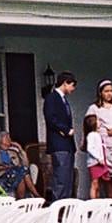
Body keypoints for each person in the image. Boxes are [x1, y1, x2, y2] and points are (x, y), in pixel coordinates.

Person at [84, 80, 112, 202]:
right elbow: (88, 125)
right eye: (106, 91)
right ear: (100, 93)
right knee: (106, 179)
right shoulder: (94, 108)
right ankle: (111, 204)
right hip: (103, 148)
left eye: (111, 91)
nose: (109, 94)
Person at [43, 71, 79, 199]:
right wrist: (65, 130)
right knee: (61, 179)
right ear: (65, 83)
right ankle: (57, 208)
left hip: (67, 144)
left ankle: (66, 206)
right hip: (59, 143)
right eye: (72, 85)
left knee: (68, 179)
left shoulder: (63, 100)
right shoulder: (52, 98)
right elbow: (51, 118)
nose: (73, 89)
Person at [0, 131, 36, 199]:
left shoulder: (13, 151)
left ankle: (21, 200)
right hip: (3, 174)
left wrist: (20, 149)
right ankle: (35, 195)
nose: (10, 140)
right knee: (22, 173)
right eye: (7, 138)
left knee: (21, 172)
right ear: (0, 140)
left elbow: (26, 165)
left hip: (16, 172)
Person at [83, 114, 111, 200]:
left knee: (98, 184)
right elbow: (90, 148)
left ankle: (97, 199)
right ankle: (93, 200)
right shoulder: (91, 135)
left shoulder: (97, 134)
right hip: (95, 162)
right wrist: (98, 158)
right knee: (94, 182)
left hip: (100, 161)